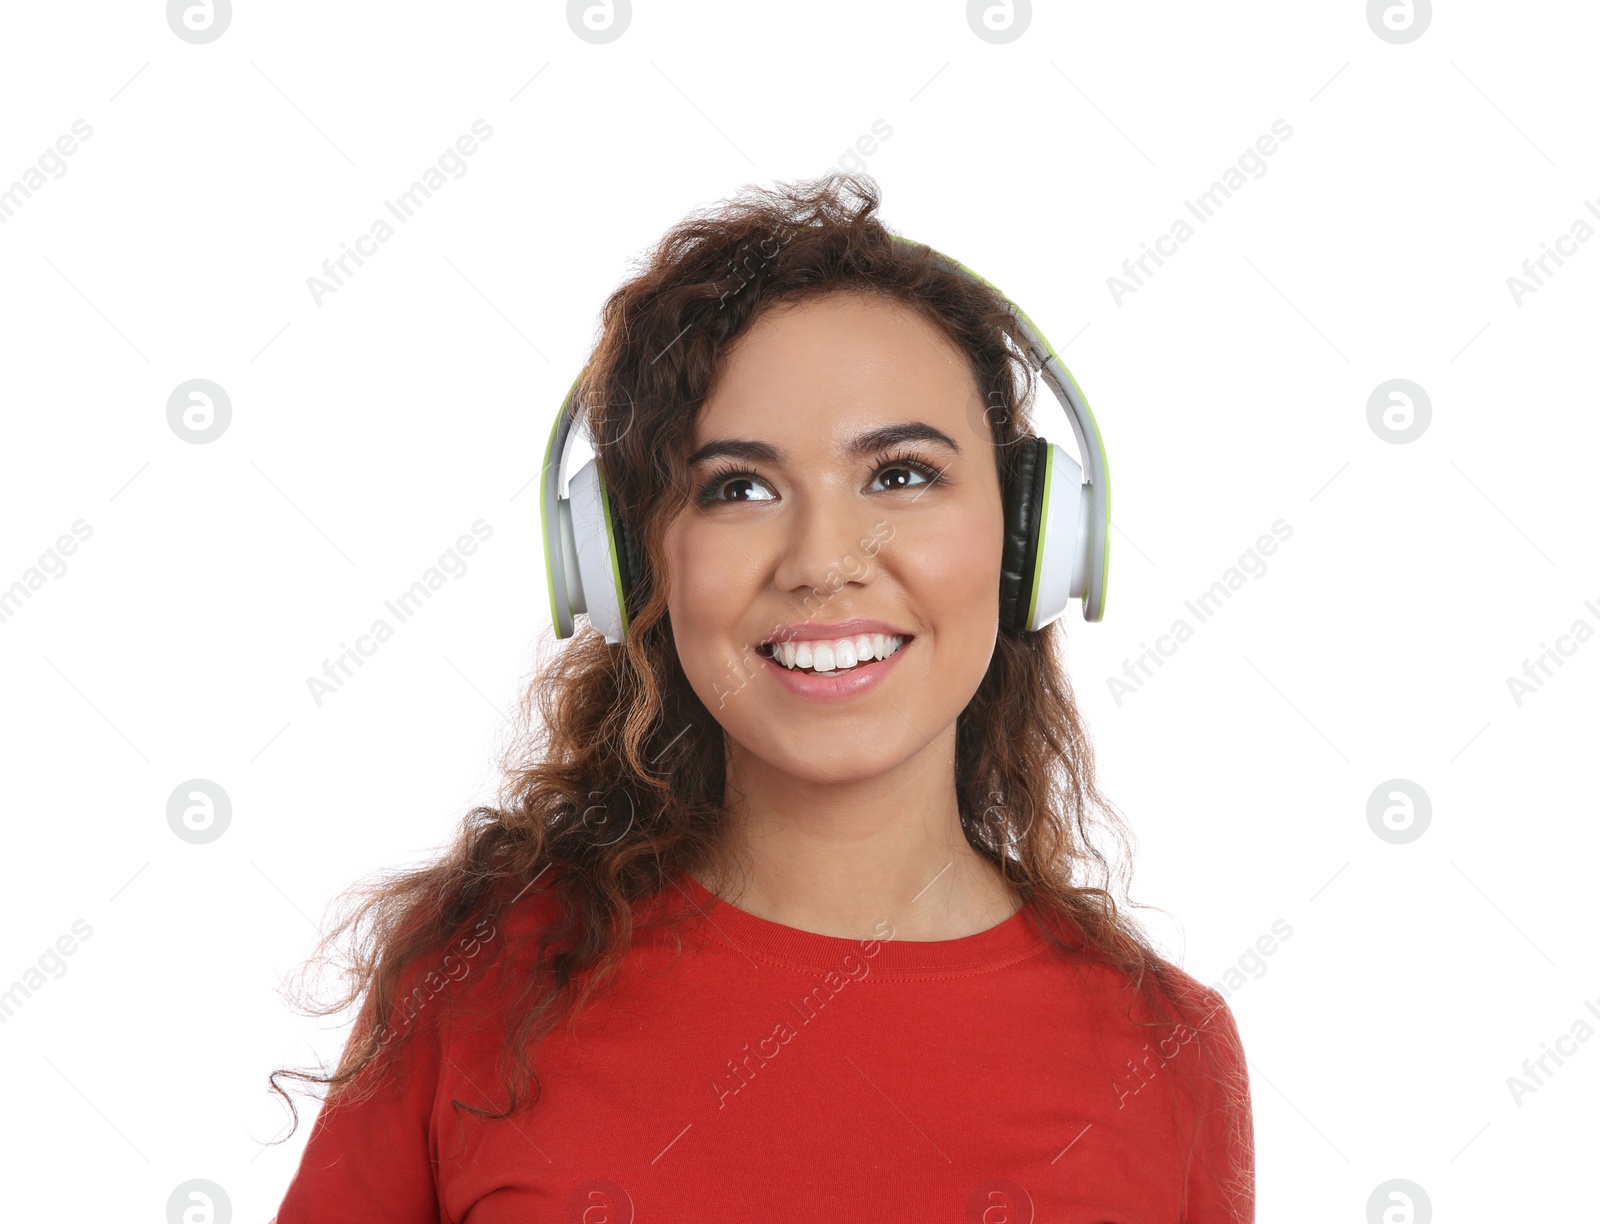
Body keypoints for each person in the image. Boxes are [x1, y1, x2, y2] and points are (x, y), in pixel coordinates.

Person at [268, 172, 1254, 1222]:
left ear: (1030, 539)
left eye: (901, 474)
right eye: (737, 487)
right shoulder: (475, 979)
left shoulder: (1165, 1052)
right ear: (631, 566)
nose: (824, 562)